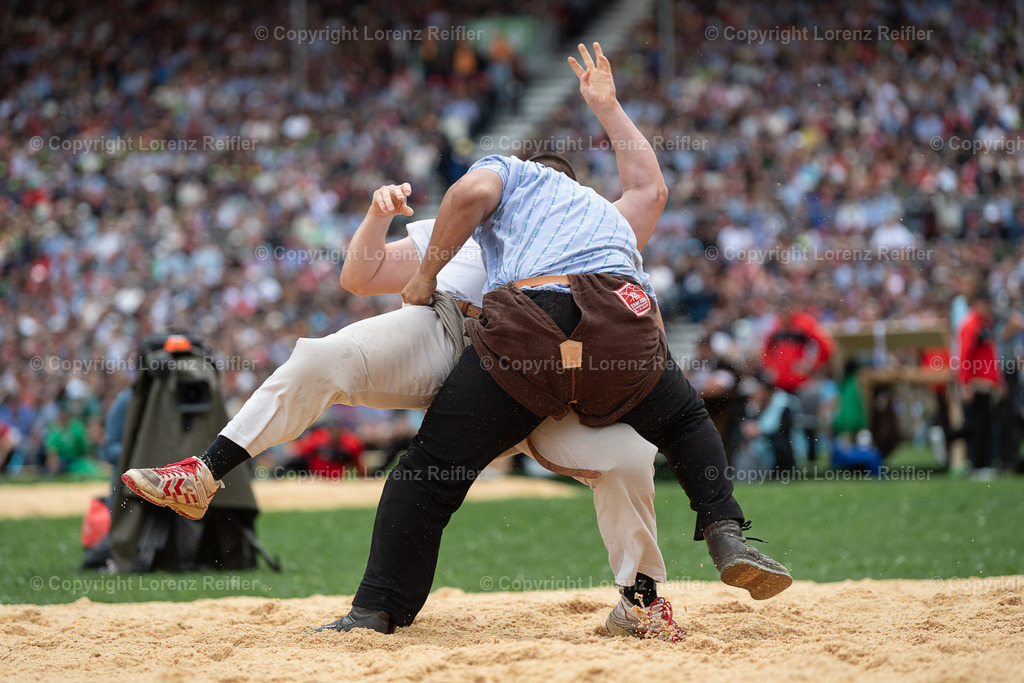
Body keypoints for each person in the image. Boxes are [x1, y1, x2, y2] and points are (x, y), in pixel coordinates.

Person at [123, 42, 686, 639]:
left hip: (549, 388)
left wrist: (608, 107)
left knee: (628, 457)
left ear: (579, 205)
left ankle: (639, 600)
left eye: (557, 191)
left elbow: (648, 192)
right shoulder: (465, 234)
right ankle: (205, 474)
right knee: (322, 356)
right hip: (451, 340)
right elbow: (359, 277)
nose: (539, 198)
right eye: (531, 186)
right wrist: (375, 218)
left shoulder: (596, 237)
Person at [328, 43, 791, 637]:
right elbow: (651, 192)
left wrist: (422, 280)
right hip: (623, 320)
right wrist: (609, 107)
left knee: (429, 469)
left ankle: (375, 609)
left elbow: (450, 212)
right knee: (684, 422)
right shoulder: (603, 215)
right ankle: (724, 528)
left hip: (531, 335)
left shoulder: (510, 186)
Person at [955, 291, 1005, 479]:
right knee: (978, 426)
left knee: (986, 426)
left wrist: (998, 381)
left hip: (988, 383)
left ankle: (984, 464)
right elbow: (965, 356)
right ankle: (977, 465)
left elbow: (991, 354)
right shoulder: (970, 326)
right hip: (977, 384)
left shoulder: (986, 324)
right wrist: (965, 383)